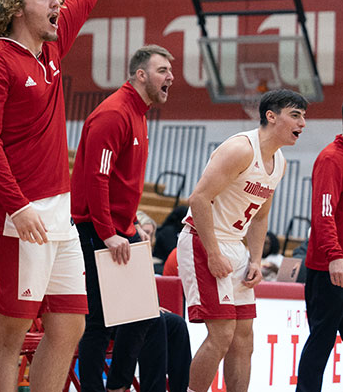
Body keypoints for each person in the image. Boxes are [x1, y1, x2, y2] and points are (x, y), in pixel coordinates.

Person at [0, 0, 123, 392]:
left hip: (58, 216)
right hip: (19, 217)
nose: (58, 3)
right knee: (11, 332)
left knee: (70, 325)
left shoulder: (52, 48)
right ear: (17, 6)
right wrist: (17, 208)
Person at [177, 89, 308, 392]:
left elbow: (260, 217)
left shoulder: (280, 162)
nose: (303, 123)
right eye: (296, 115)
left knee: (243, 337)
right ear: (271, 116)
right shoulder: (241, 148)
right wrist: (212, 252)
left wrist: (256, 260)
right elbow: (198, 199)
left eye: (304, 117)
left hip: (236, 245)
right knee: (221, 334)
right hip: (203, 239)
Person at [71, 44, 174, 392]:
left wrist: (131, 230)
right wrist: (109, 233)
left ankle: (116, 387)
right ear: (140, 75)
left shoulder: (138, 114)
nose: (170, 77)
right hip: (98, 230)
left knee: (143, 316)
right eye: (163, 71)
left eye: (170, 72)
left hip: (119, 230)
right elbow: (96, 178)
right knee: (99, 322)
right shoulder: (114, 113)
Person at [296, 114, 343, 392]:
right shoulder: (331, 159)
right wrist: (334, 255)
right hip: (330, 269)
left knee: (321, 341)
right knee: (321, 341)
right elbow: (323, 213)